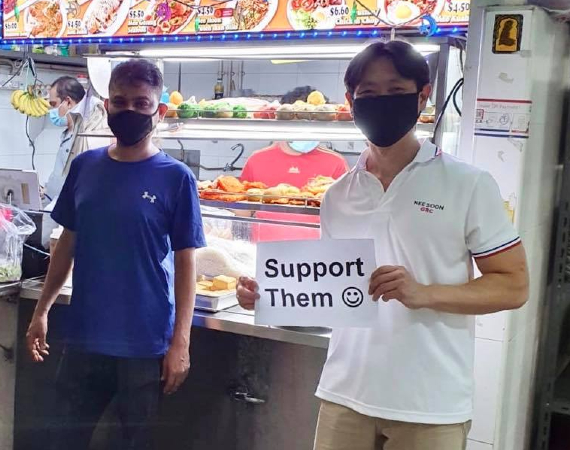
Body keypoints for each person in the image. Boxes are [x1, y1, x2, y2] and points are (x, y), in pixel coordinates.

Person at [237, 41, 530, 449]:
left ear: (423, 96)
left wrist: (424, 293)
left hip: (429, 405)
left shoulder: (467, 184)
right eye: (369, 94)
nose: (381, 103)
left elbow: (514, 284)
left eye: (395, 92)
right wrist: (270, 295)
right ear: (350, 102)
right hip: (345, 394)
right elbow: (334, 290)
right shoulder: (339, 192)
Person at [26, 58, 206, 449]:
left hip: (145, 345)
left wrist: (181, 343)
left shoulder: (176, 178)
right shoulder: (85, 166)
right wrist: (42, 311)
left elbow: (185, 264)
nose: (129, 111)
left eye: (141, 104)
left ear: (158, 112)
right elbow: (66, 245)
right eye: (120, 101)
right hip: (84, 338)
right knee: (60, 442)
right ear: (106, 106)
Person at [240, 86, 348, 241]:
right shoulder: (257, 160)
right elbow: (242, 214)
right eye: (300, 124)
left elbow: (344, 218)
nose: (307, 132)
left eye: (314, 125)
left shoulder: (336, 163)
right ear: (284, 121)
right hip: (264, 254)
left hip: (314, 259)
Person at [42, 76, 108, 247]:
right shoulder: (68, 132)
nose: (52, 110)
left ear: (68, 102)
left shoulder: (88, 133)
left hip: (72, 213)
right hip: (55, 202)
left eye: (53, 104)